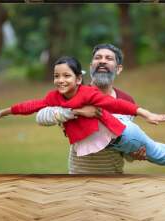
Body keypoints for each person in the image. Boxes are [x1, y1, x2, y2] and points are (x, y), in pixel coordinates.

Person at [0, 56, 165, 173]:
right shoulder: (55, 98)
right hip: (117, 140)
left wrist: (145, 113)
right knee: (157, 149)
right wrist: (5, 112)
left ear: (78, 79)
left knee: (158, 155)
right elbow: (31, 106)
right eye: (56, 76)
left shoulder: (89, 93)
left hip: (124, 135)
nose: (60, 80)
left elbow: (116, 104)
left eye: (66, 75)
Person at [36, 44, 145, 174]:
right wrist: (75, 111)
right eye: (98, 57)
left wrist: (133, 155)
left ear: (118, 69)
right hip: (78, 178)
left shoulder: (127, 102)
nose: (103, 61)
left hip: (113, 180)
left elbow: (124, 144)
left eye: (109, 58)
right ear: (91, 66)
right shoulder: (72, 94)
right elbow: (41, 117)